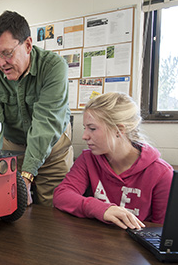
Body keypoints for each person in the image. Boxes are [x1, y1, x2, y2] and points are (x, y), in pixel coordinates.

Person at [0, 10, 73, 207]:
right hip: (13, 150)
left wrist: (27, 176)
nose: (1, 63)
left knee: (53, 211)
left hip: (53, 151)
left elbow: (45, 124)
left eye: (7, 53)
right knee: (13, 208)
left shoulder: (53, 67)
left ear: (28, 45)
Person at [53, 92, 173, 229]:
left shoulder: (161, 173)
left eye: (92, 128)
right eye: (85, 128)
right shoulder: (88, 159)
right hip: (94, 241)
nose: (84, 136)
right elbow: (61, 195)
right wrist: (102, 209)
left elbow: (161, 230)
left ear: (119, 130)